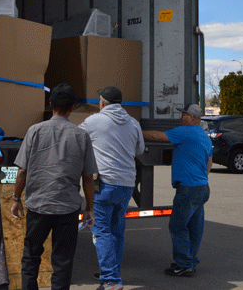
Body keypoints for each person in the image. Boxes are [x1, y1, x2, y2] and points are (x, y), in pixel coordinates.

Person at [11, 83, 98, 290]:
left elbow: (22, 171)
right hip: (67, 208)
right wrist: (89, 209)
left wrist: (16, 199)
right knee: (63, 260)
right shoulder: (81, 136)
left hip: (38, 206)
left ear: (51, 105)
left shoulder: (34, 131)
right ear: (72, 108)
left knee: (31, 255)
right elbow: (88, 178)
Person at [79, 86, 145, 290]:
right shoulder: (133, 123)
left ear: (102, 103)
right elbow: (140, 149)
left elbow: (76, 137)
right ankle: (111, 272)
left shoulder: (94, 121)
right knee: (117, 231)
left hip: (105, 184)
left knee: (101, 232)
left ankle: (110, 280)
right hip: (126, 185)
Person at [142, 103, 212, 277]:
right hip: (202, 187)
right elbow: (209, 162)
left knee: (178, 226)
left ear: (193, 117)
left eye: (185, 115)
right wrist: (200, 178)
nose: (182, 117)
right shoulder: (204, 136)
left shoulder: (185, 132)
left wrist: (134, 131)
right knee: (195, 227)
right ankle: (189, 260)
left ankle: (184, 263)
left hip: (188, 188)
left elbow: (158, 136)